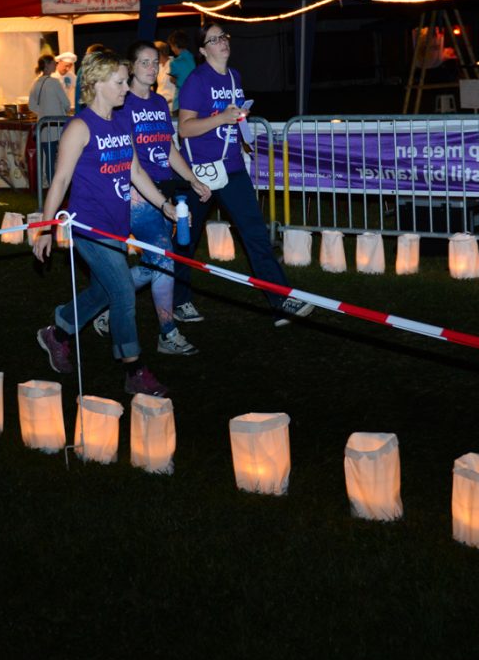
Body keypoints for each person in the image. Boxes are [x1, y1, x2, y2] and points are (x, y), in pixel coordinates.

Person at [34, 49, 178, 398]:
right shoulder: (79, 127)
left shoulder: (121, 121)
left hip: (117, 226)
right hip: (90, 228)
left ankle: (58, 332)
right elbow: (60, 180)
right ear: (97, 84)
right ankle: (134, 369)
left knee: (103, 291)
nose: (126, 88)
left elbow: (135, 171)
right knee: (123, 292)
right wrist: (45, 227)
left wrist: (164, 205)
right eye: (120, 82)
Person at [175, 23, 313, 324]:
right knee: (186, 239)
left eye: (224, 36)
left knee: (255, 234)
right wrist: (222, 117)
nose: (223, 42)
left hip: (233, 167)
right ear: (203, 51)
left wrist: (240, 125)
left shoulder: (234, 76)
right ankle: (179, 301)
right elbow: (184, 128)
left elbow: (231, 117)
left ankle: (280, 302)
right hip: (200, 172)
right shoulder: (197, 80)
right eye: (214, 39)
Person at [109, 40, 212, 355]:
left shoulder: (158, 103)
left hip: (163, 188)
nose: (152, 68)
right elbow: (129, 162)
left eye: (155, 62)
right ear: (131, 67)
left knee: (155, 262)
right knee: (164, 258)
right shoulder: (122, 104)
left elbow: (168, 148)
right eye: (144, 62)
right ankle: (168, 333)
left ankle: (106, 302)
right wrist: (153, 197)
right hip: (135, 192)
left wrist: (192, 179)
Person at [28, 54, 67, 189]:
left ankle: (51, 187)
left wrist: (43, 112)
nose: (55, 65)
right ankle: (58, 188)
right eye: (53, 63)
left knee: (48, 159)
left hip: (43, 127)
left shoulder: (35, 83)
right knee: (60, 158)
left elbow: (31, 106)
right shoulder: (54, 82)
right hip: (58, 127)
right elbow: (66, 103)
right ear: (47, 65)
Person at [166, 31, 196, 114]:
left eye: (171, 46)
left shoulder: (174, 62)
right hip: (194, 98)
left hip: (180, 101)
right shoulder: (193, 57)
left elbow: (174, 80)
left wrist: (172, 79)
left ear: (175, 46)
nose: (172, 49)